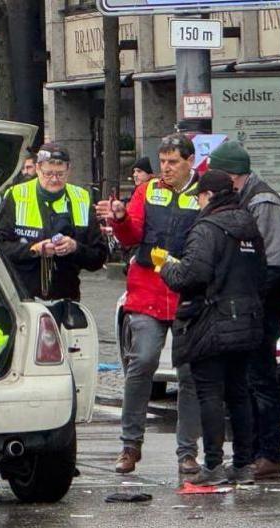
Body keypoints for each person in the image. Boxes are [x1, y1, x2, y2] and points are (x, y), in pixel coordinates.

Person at [96, 134, 203, 476]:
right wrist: (121, 218)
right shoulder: (148, 190)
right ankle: (130, 446)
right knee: (141, 362)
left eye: (173, 162)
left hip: (188, 295)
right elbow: (130, 237)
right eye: (163, 162)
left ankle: (187, 452)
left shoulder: (202, 193)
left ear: (190, 161)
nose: (166, 168)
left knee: (189, 374)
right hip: (147, 292)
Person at [157, 170, 265, 485]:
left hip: (210, 322)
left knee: (209, 394)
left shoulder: (207, 228)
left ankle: (214, 465)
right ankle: (244, 464)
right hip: (246, 321)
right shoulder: (249, 226)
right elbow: (260, 273)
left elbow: (192, 276)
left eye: (199, 196)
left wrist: (166, 268)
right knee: (239, 392)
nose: (198, 201)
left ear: (209, 196)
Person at [208, 141, 280, 481]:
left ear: (231, 175)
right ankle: (254, 451)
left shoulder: (263, 201)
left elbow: (272, 262)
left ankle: (269, 454)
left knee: (261, 379)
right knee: (247, 380)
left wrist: (249, 300)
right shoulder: (246, 197)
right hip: (249, 303)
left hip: (262, 304)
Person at [0, 144, 108, 300]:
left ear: (69, 170)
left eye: (60, 174)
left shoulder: (81, 197)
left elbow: (98, 257)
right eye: (48, 174)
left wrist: (75, 248)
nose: (54, 180)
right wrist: (34, 249)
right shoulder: (16, 195)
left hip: (66, 297)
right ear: (38, 169)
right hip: (22, 298)